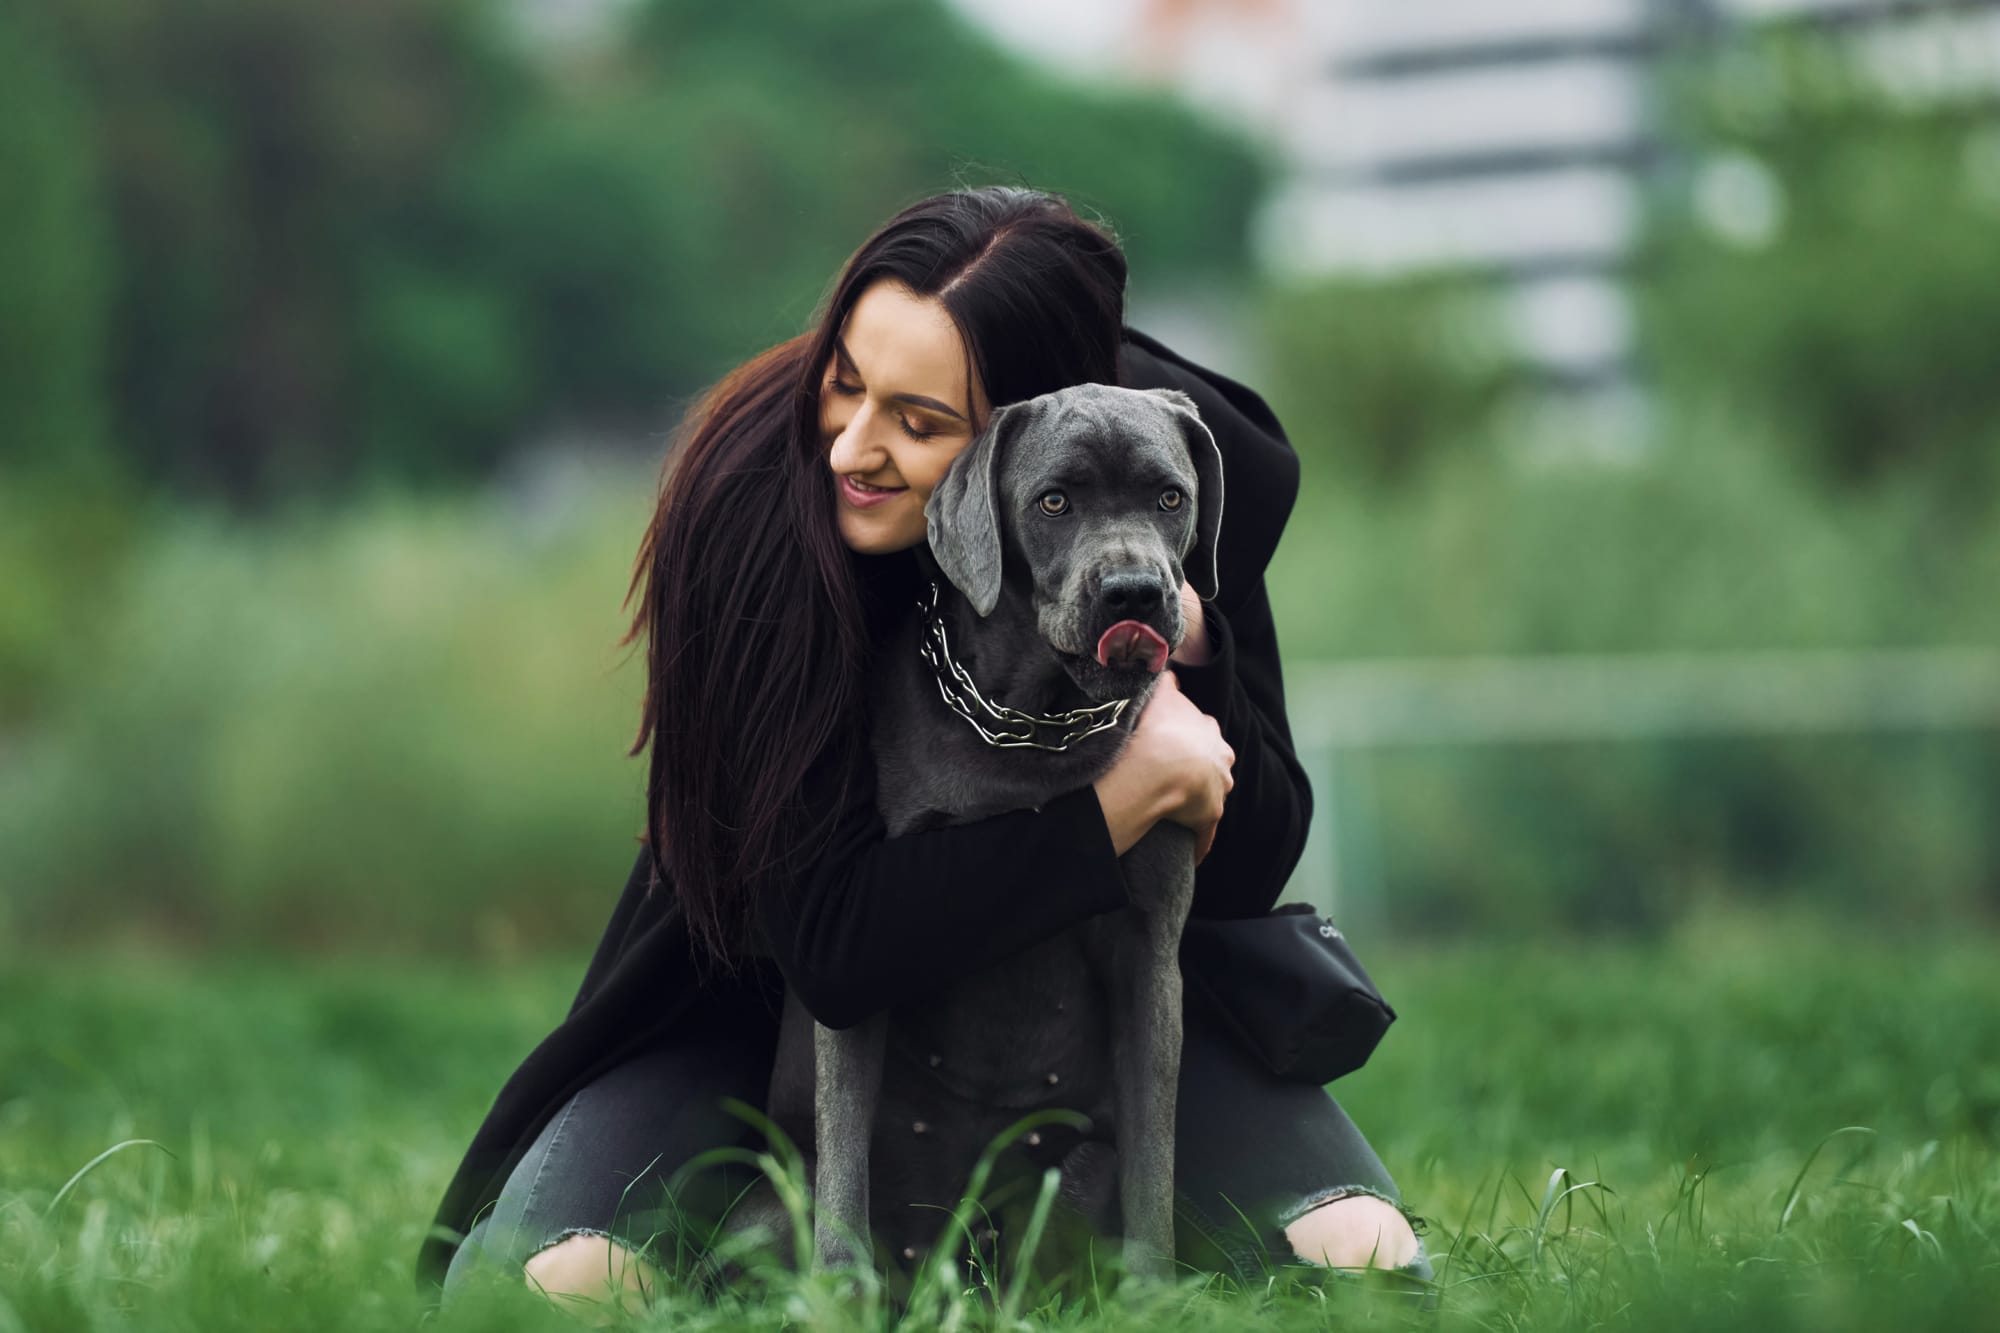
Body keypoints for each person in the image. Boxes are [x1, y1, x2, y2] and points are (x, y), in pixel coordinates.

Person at [418, 186, 1429, 1319]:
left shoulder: (1165, 475)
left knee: (1368, 1261)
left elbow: (1245, 870)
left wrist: (1197, 653)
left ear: (1020, 414)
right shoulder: (759, 512)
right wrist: (1108, 808)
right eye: (844, 381)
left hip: (1094, 1030)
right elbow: (833, 949)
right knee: (559, 1290)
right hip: (757, 1025)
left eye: (918, 419)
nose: (853, 444)